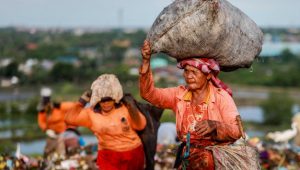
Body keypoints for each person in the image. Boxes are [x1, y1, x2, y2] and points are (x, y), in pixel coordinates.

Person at [139, 40, 243, 170]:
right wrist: (146, 61)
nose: (189, 76)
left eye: (194, 72)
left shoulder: (221, 97)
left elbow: (237, 131)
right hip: (187, 159)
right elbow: (148, 94)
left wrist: (215, 125)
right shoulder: (179, 95)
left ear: (208, 75)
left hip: (215, 161)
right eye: (186, 71)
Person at [65, 74, 146, 170]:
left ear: (115, 98)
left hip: (133, 153)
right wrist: (82, 101)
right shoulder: (90, 114)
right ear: (98, 100)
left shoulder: (126, 108)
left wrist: (132, 107)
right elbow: (69, 119)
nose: (106, 103)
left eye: (109, 100)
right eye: (103, 101)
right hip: (107, 155)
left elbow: (141, 126)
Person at [37, 88, 78, 157]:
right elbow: (41, 121)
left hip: (64, 132)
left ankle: (64, 157)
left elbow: (73, 105)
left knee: (62, 147)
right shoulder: (42, 110)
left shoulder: (58, 107)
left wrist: (59, 105)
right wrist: (46, 130)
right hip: (52, 134)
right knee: (48, 151)